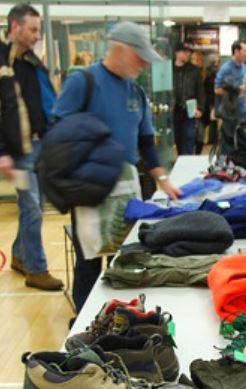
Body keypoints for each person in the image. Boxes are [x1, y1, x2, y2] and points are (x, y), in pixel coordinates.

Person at [53, 21, 180, 313]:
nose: (143, 64)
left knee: (123, 255)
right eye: (139, 56)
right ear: (120, 50)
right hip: (88, 186)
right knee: (88, 260)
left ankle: (119, 317)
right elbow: (59, 130)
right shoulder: (82, 82)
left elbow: (146, 142)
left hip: (125, 186)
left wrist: (162, 179)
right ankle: (86, 319)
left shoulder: (136, 93)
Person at [0, 3, 63, 291]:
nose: (38, 36)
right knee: (32, 208)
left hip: (38, 145)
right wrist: (3, 151)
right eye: (33, 30)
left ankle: (19, 254)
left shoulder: (30, 60)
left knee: (33, 206)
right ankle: (36, 270)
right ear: (15, 27)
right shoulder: (4, 59)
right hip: (19, 152)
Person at [173, 42, 205, 156]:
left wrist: (200, 108)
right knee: (178, 139)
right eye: (185, 52)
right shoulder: (169, 69)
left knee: (188, 137)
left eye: (188, 52)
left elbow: (200, 91)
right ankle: (182, 159)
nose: (188, 54)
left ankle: (186, 160)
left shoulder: (194, 70)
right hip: (174, 110)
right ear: (177, 53)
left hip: (189, 110)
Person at [215, 40, 246, 123]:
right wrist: (234, 91)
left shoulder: (245, 67)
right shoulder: (225, 68)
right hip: (229, 114)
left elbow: (245, 88)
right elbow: (216, 90)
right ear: (236, 51)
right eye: (244, 51)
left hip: (243, 111)